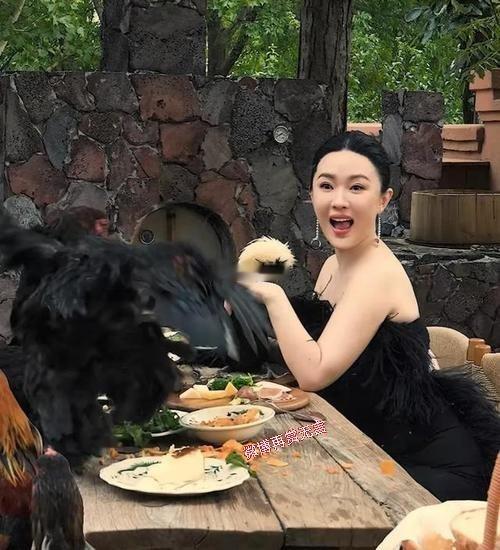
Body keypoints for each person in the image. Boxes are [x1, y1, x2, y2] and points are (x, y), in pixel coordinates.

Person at [242, 131, 499, 501]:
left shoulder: (376, 274)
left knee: (291, 492)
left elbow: (314, 373)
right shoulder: (332, 266)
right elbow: (322, 359)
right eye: (326, 185)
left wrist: (271, 295)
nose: (339, 201)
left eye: (357, 188)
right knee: (245, 454)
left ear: (383, 200)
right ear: (312, 193)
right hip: (353, 437)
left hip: (422, 466)